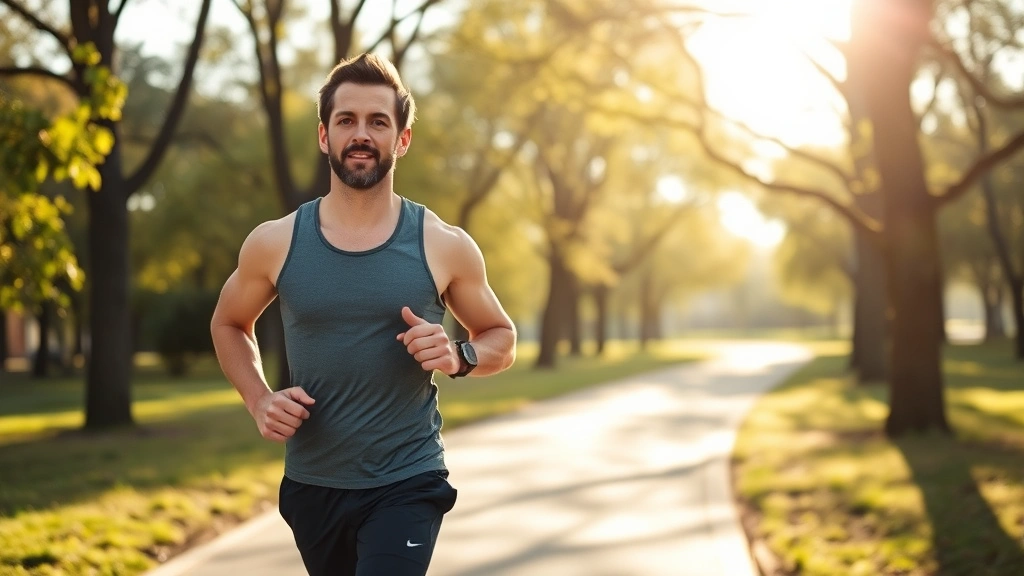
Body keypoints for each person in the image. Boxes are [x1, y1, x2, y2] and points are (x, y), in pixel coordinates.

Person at [210, 52, 517, 576]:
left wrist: (460, 353)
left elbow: (501, 337)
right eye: (346, 119)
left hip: (408, 479)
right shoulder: (275, 243)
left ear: (402, 140)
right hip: (314, 484)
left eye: (379, 121)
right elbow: (228, 323)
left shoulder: (442, 245)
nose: (361, 133)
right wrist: (258, 399)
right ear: (323, 136)